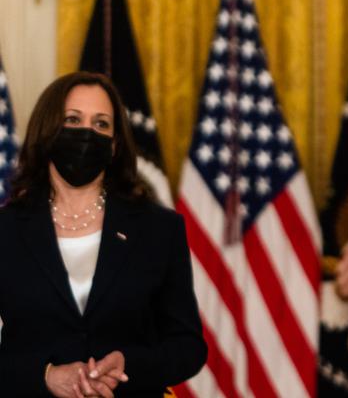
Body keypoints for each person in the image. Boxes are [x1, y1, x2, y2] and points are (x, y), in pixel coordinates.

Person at [0, 72, 206, 397]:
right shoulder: (7, 231)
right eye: (72, 119)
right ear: (47, 131)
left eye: (101, 124)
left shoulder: (159, 229)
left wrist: (130, 365)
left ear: (114, 145)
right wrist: (46, 375)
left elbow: (188, 345)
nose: (86, 133)